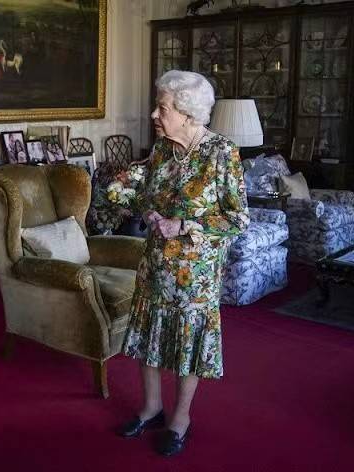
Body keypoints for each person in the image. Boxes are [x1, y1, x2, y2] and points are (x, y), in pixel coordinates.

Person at [117, 70, 249, 456]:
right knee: (150, 338)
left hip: (195, 275)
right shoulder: (162, 150)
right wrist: (139, 202)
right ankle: (151, 407)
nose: (155, 116)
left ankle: (180, 418)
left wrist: (186, 224)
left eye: (162, 108)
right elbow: (148, 199)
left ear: (189, 113)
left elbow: (238, 219)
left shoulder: (222, 153)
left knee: (187, 345)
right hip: (156, 265)